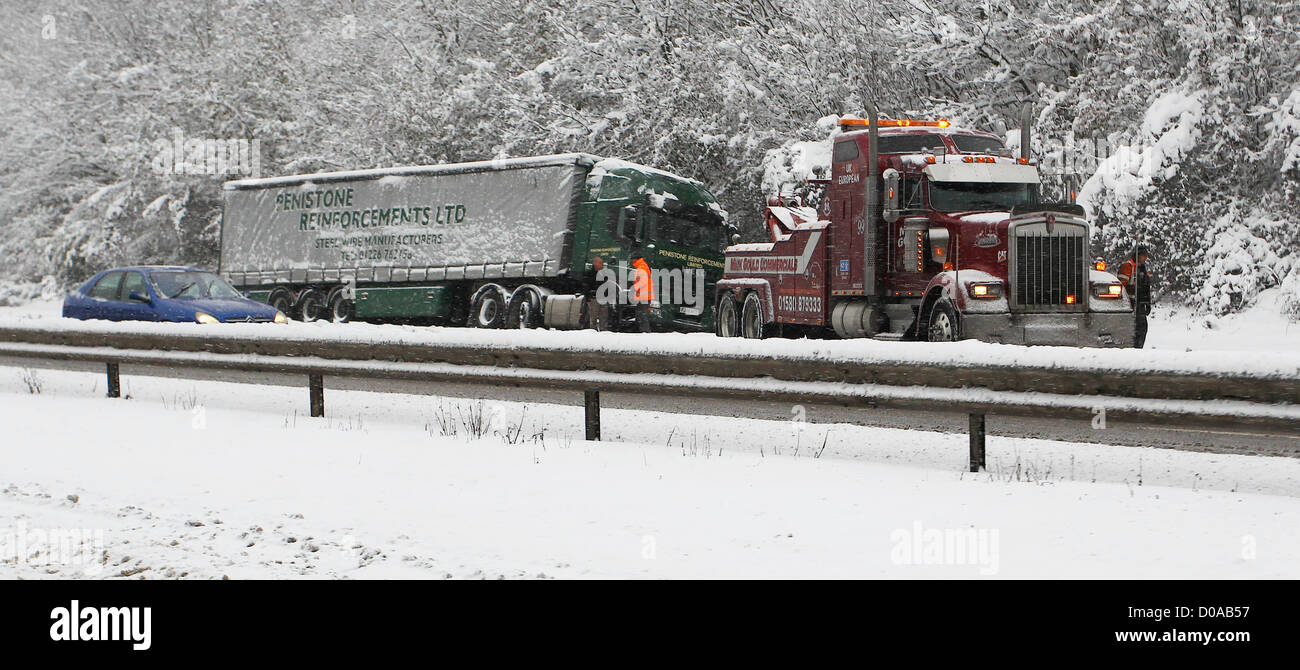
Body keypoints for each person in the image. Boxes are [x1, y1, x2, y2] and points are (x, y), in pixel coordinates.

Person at [1117, 245, 1152, 348]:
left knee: (1142, 328)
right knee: (1134, 329)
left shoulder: (1143, 269)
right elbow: (1121, 285)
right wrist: (1133, 289)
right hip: (1130, 303)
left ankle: (1138, 347)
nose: (1145, 258)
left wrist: (1147, 303)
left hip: (1140, 304)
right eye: (1143, 256)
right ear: (1138, 255)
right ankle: (1133, 348)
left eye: (1146, 256)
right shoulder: (1128, 266)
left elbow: (1146, 287)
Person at [583, 256, 613, 331]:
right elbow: (586, 287)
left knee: (604, 317)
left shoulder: (605, 274)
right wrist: (588, 299)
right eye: (599, 263)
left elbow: (608, 286)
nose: (601, 264)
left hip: (603, 299)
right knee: (593, 318)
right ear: (594, 263)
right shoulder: (589, 274)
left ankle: (603, 332)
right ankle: (593, 332)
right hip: (594, 298)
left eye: (601, 263)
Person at [630, 250, 654, 333]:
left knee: (642, 316)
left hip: (643, 296)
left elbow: (643, 281)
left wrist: (634, 288)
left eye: (632, 259)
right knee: (641, 315)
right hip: (644, 295)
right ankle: (643, 332)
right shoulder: (642, 266)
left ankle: (645, 332)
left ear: (636, 259)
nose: (631, 261)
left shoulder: (642, 267)